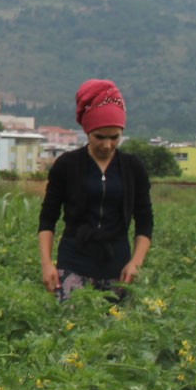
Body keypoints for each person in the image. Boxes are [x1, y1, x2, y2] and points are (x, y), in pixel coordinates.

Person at [38, 79, 153, 301]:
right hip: (73, 264)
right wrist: (47, 264)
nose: (107, 145)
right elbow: (47, 220)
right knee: (73, 328)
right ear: (87, 131)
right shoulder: (67, 165)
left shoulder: (133, 168)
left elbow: (145, 222)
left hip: (117, 268)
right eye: (100, 137)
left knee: (113, 333)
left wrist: (135, 263)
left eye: (114, 137)